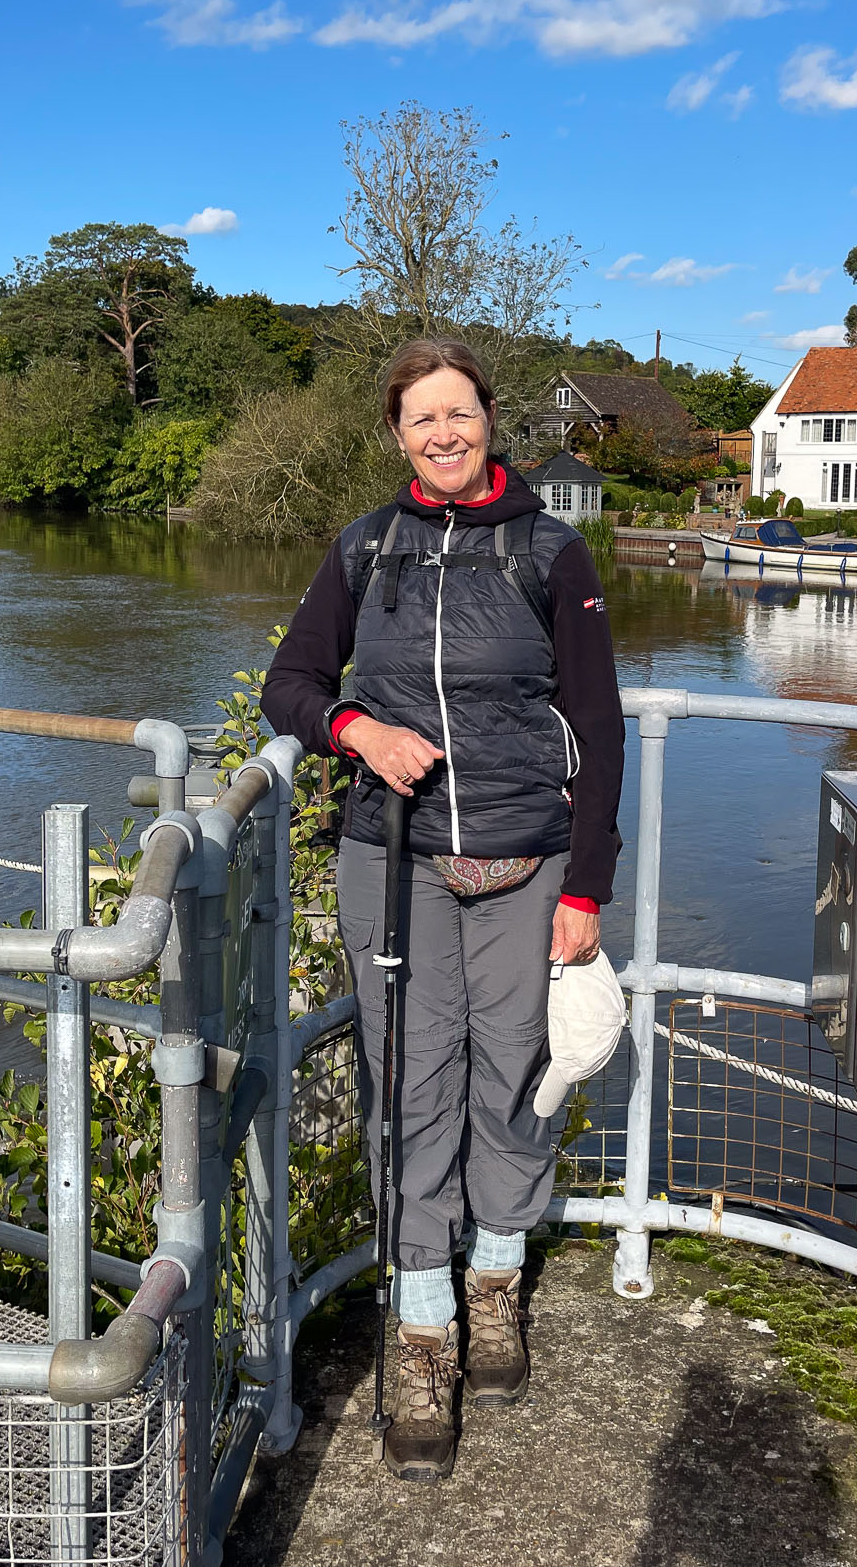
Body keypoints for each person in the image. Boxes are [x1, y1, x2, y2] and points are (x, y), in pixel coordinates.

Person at [260, 337, 623, 1481]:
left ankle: (496, 1287)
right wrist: (356, 729)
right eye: (421, 419)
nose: (443, 434)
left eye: (457, 413)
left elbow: (600, 731)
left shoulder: (553, 554)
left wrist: (585, 888)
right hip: (394, 861)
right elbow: (291, 684)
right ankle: (422, 1337)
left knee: (515, 1079)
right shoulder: (366, 549)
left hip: (526, 863)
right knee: (411, 1092)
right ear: (398, 435)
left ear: (488, 417)